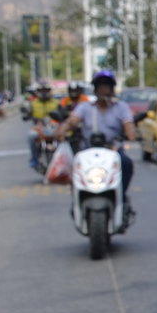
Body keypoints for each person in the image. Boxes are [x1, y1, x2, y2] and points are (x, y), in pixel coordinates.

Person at [59, 69, 137, 209]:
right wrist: (62, 130)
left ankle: (121, 197)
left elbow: (129, 126)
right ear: (95, 89)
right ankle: (77, 200)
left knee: (126, 163)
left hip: (113, 150)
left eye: (107, 86)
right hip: (88, 150)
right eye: (100, 86)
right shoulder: (85, 107)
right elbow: (72, 121)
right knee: (73, 166)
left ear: (112, 89)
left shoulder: (121, 107)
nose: (104, 90)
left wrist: (131, 133)